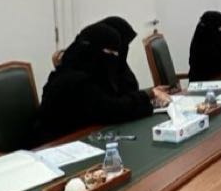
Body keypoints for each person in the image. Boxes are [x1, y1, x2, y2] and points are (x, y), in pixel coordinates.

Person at [33, 21, 170, 144]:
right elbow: (112, 110)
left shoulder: (91, 71)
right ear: (92, 49)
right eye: (110, 52)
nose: (115, 58)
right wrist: (147, 97)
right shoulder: (74, 79)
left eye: (116, 53)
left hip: (83, 139)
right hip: (55, 146)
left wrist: (146, 100)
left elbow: (117, 101)